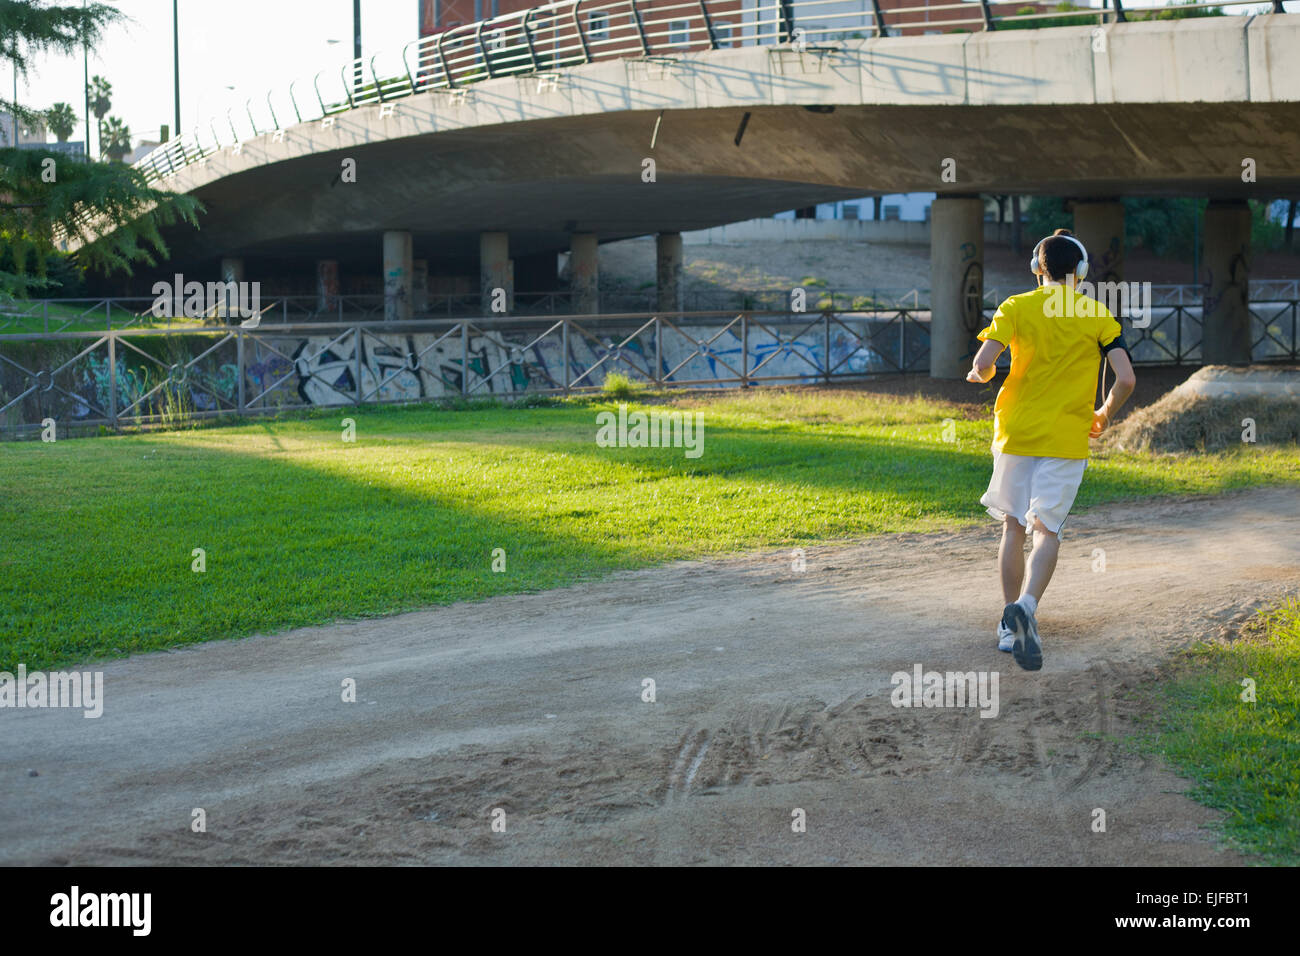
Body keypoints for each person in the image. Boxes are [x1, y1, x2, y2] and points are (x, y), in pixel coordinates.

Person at [965, 228, 1137, 671]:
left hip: (1016, 433)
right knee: (1047, 530)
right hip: (1066, 437)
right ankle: (1026, 606)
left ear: (1036, 270)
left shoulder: (1016, 307)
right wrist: (1104, 413)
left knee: (1012, 527)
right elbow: (1126, 379)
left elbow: (984, 365)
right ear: (1080, 272)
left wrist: (980, 375)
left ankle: (1008, 627)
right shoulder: (1098, 315)